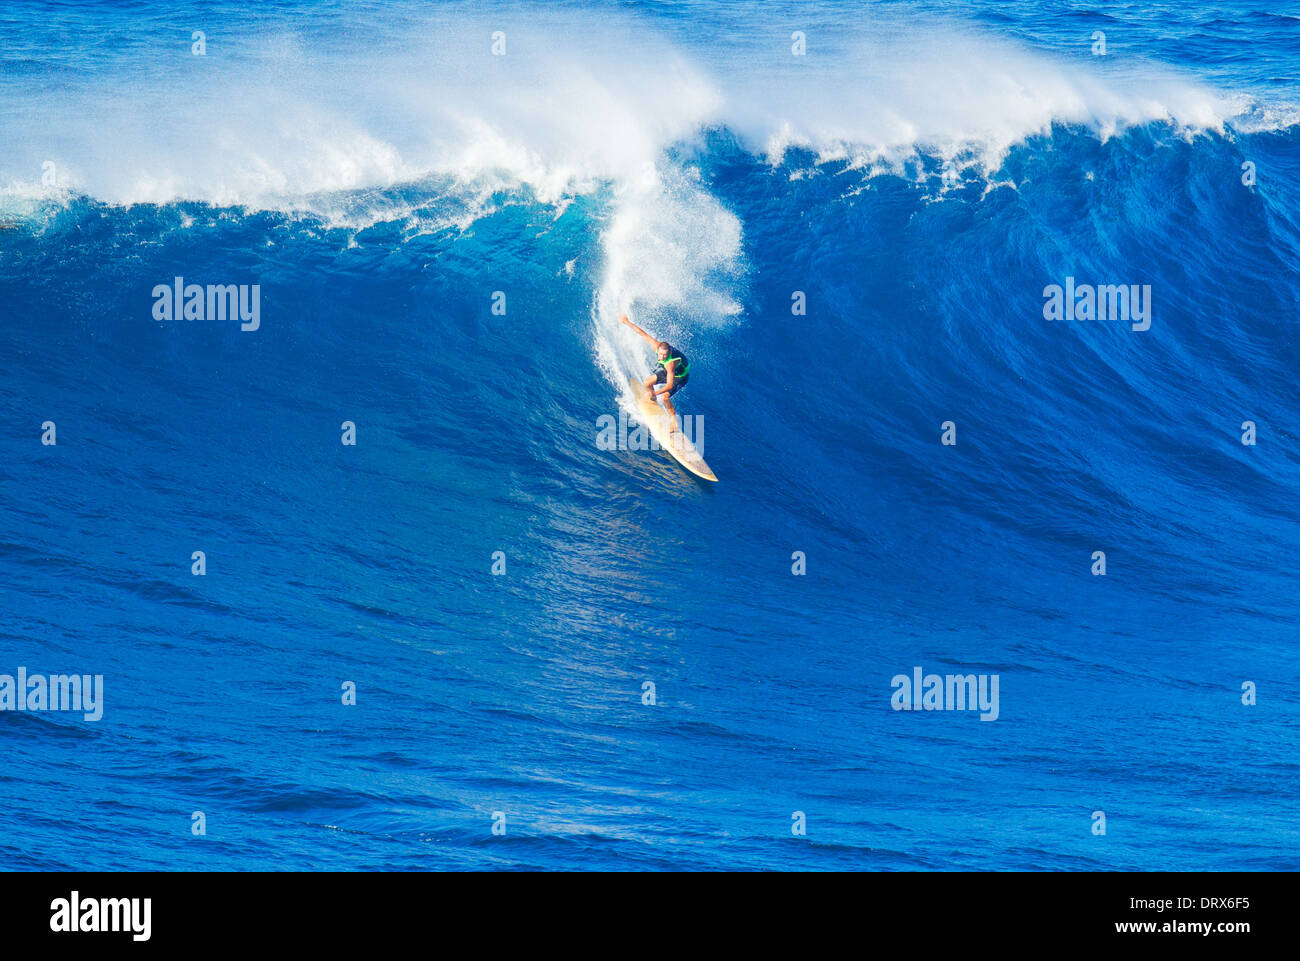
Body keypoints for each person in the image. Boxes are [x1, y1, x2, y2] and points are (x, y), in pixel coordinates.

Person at [620, 314, 691, 432]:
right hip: (670, 370)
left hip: (681, 376)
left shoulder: (670, 364)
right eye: (660, 354)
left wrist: (656, 393)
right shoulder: (656, 346)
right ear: (658, 350)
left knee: (665, 397)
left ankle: (674, 421)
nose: (662, 357)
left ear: (668, 353)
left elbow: (669, 385)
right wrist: (627, 322)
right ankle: (652, 398)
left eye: (665, 355)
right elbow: (642, 334)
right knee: (647, 383)